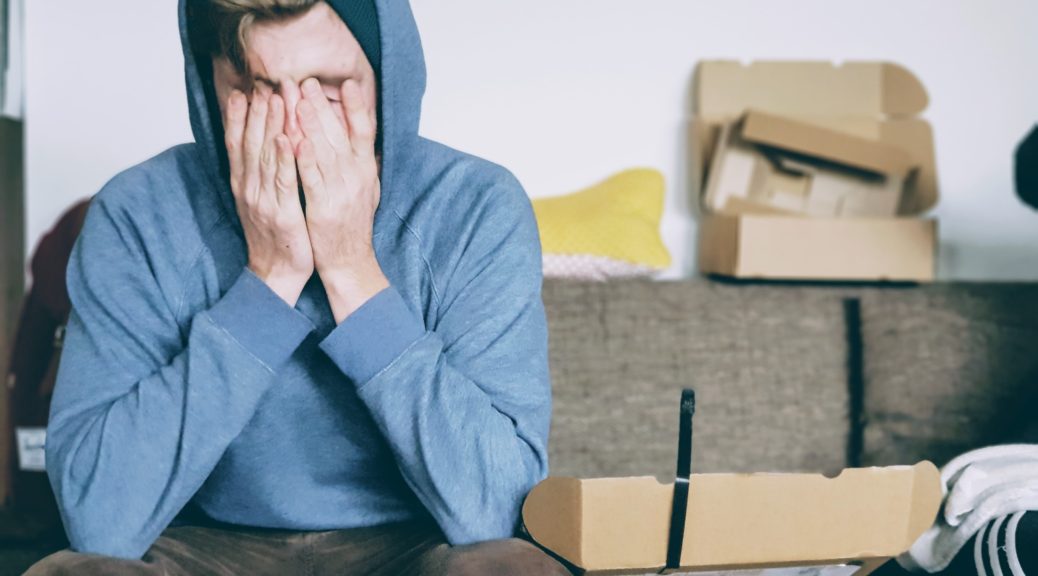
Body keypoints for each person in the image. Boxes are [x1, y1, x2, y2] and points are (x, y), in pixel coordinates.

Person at [27, 1, 569, 574]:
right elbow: (99, 521)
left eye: (329, 90)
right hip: (204, 548)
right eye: (258, 90)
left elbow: (499, 511)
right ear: (209, 83)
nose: (292, 130)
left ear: (388, 78)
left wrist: (352, 270)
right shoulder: (136, 213)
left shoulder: (477, 206)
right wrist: (270, 279)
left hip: (417, 547)